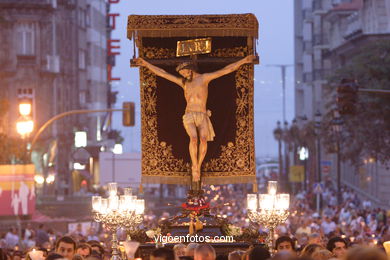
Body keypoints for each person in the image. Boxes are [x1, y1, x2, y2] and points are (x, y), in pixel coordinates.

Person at [133, 55, 255, 182]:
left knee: (203, 140)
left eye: (185, 72)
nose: (184, 75)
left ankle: (198, 165)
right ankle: (194, 166)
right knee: (193, 138)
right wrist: (146, 64)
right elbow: (163, 74)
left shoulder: (204, 79)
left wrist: (244, 61)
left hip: (202, 115)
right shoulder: (184, 83)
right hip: (190, 115)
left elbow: (226, 70)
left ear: (190, 69)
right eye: (182, 74)